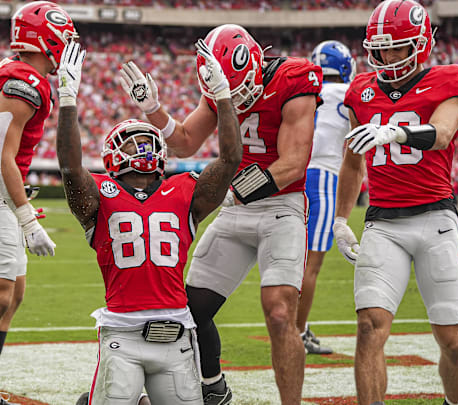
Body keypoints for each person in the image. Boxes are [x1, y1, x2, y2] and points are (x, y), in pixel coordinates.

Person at [119, 24, 322, 405]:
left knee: (280, 314)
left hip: (281, 207)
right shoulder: (218, 91)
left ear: (257, 63)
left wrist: (236, 191)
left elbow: (294, 164)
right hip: (237, 209)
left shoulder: (294, 78)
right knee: (190, 309)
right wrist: (153, 111)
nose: (238, 98)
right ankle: (213, 388)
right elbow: (184, 142)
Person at [56, 38, 242, 405]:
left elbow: (231, 159)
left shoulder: (184, 190)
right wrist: (67, 100)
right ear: (111, 155)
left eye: (145, 140)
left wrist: (223, 96)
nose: (140, 148)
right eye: (130, 143)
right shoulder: (100, 194)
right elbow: (69, 166)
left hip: (177, 335)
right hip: (121, 335)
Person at [332, 1, 458, 404]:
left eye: (398, 47)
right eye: (381, 48)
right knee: (368, 327)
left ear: (421, 44)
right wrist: (342, 219)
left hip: (436, 219)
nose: (388, 57)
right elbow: (352, 160)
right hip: (383, 223)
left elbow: (444, 133)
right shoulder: (360, 90)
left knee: (452, 342)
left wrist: (397, 134)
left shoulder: (450, 80)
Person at [0, 2, 76, 404]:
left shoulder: (18, 73)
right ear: (44, 38)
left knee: (14, 293)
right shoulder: (23, 81)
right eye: (62, 38)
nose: (67, 46)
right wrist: (27, 219)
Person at [298, 40, 356, 355]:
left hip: (296, 173)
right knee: (311, 265)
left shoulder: (306, 89)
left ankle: (299, 326)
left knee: (294, 260)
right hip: (322, 177)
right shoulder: (348, 94)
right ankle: (296, 332)